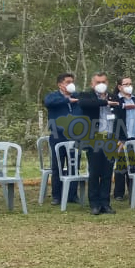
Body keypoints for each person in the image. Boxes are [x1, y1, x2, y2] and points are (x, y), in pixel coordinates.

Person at [76, 73, 119, 215]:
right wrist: (105, 102)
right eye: (98, 82)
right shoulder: (86, 95)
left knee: (107, 173)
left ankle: (105, 203)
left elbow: (120, 117)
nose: (101, 84)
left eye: (103, 81)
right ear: (92, 84)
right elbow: (84, 104)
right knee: (94, 172)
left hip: (110, 138)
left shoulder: (113, 96)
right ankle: (94, 204)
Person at [44, 72, 81, 205]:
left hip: (75, 136)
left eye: (72, 81)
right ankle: (57, 196)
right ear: (60, 84)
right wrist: (66, 100)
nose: (71, 84)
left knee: (74, 165)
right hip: (58, 136)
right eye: (68, 82)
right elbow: (48, 102)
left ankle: (72, 195)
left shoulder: (77, 97)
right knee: (57, 165)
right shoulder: (53, 96)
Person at [112, 76, 135, 202]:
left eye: (130, 83)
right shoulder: (115, 99)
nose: (129, 86)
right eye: (126, 84)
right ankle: (119, 193)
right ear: (119, 87)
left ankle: (133, 191)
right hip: (122, 137)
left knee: (133, 165)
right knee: (121, 165)